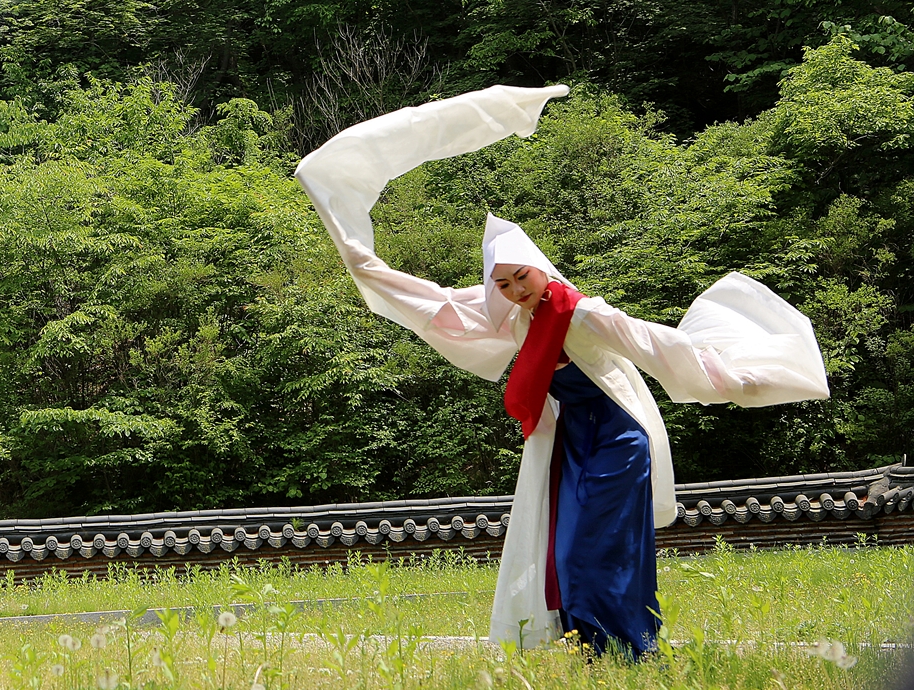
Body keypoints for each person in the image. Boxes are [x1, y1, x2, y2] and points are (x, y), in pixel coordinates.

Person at [294, 85, 830, 654]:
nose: (514, 289)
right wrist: (365, 265)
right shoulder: (510, 315)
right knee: (565, 550)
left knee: (600, 548)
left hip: (618, 435)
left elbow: (657, 345)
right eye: (503, 283)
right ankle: (594, 648)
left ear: (541, 268)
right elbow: (436, 304)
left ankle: (630, 648)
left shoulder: (583, 314)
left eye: (521, 276)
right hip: (571, 440)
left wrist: (735, 380)